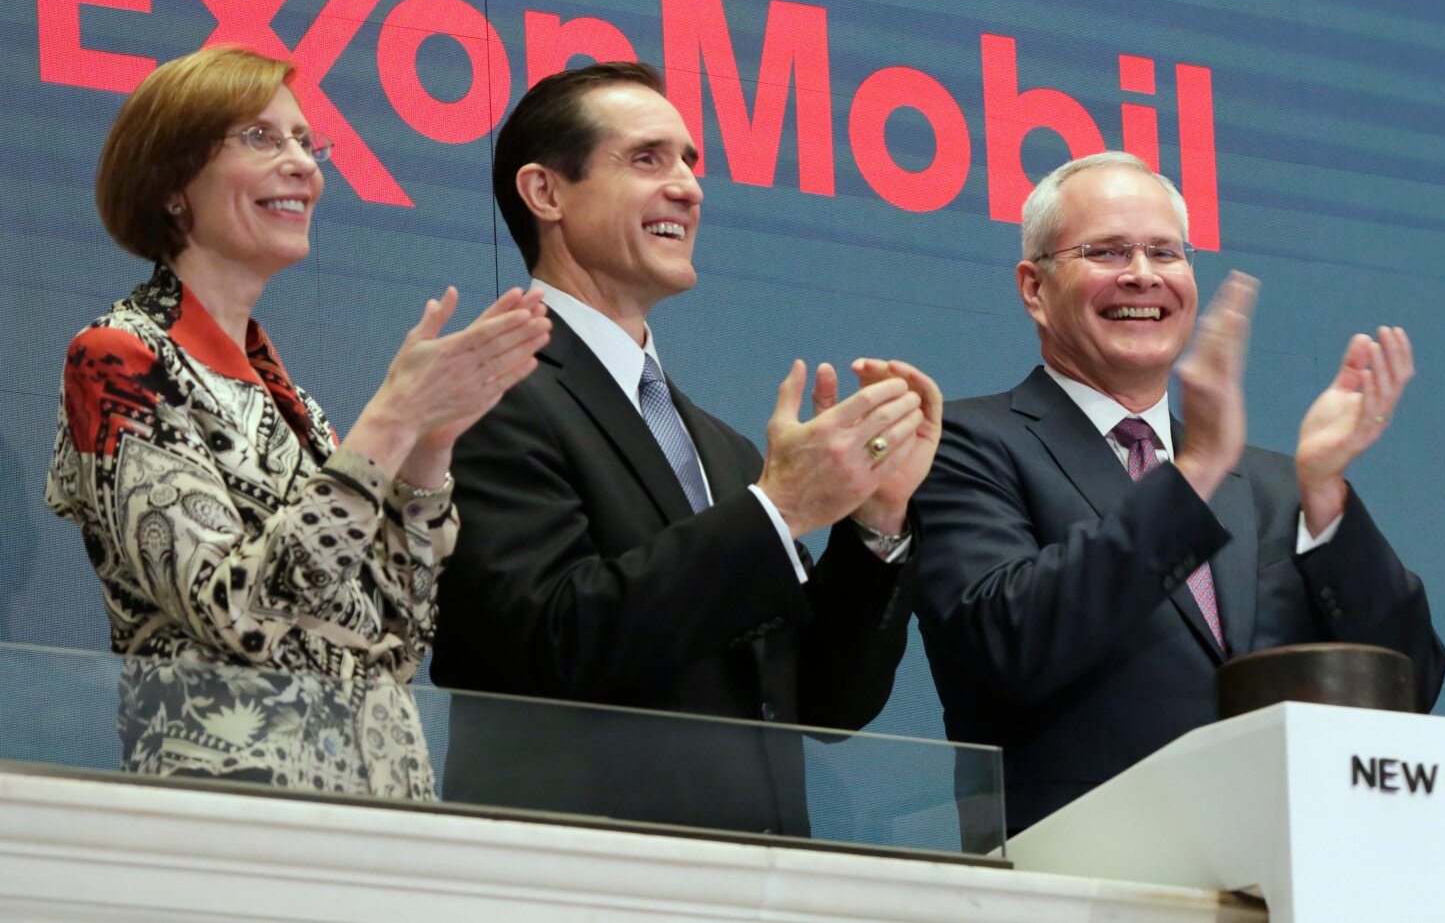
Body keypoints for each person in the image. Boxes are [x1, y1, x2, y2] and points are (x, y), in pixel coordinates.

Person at [430, 62, 940, 835]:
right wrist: (782, 508)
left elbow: (829, 703)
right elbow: (543, 643)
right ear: (546, 193)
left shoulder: (724, 451)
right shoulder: (486, 389)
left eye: (690, 162)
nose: (689, 188)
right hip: (580, 882)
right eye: (647, 159)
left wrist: (875, 521)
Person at [45, 45, 551, 799]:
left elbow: (399, 641)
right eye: (261, 137)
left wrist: (429, 448)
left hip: (376, 821)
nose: (304, 165)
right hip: (235, 820)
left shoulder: (300, 412)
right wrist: (392, 416)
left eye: (307, 143)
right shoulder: (117, 360)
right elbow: (237, 611)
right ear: (173, 182)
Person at [911, 151, 1445, 835]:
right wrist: (1192, 472)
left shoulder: (1280, 484)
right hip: (1079, 876)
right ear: (1034, 286)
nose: (1142, 274)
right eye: (1106, 251)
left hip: (1281, 870)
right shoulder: (962, 441)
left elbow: (1411, 685)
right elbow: (1011, 644)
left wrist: (1326, 496)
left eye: (1166, 252)